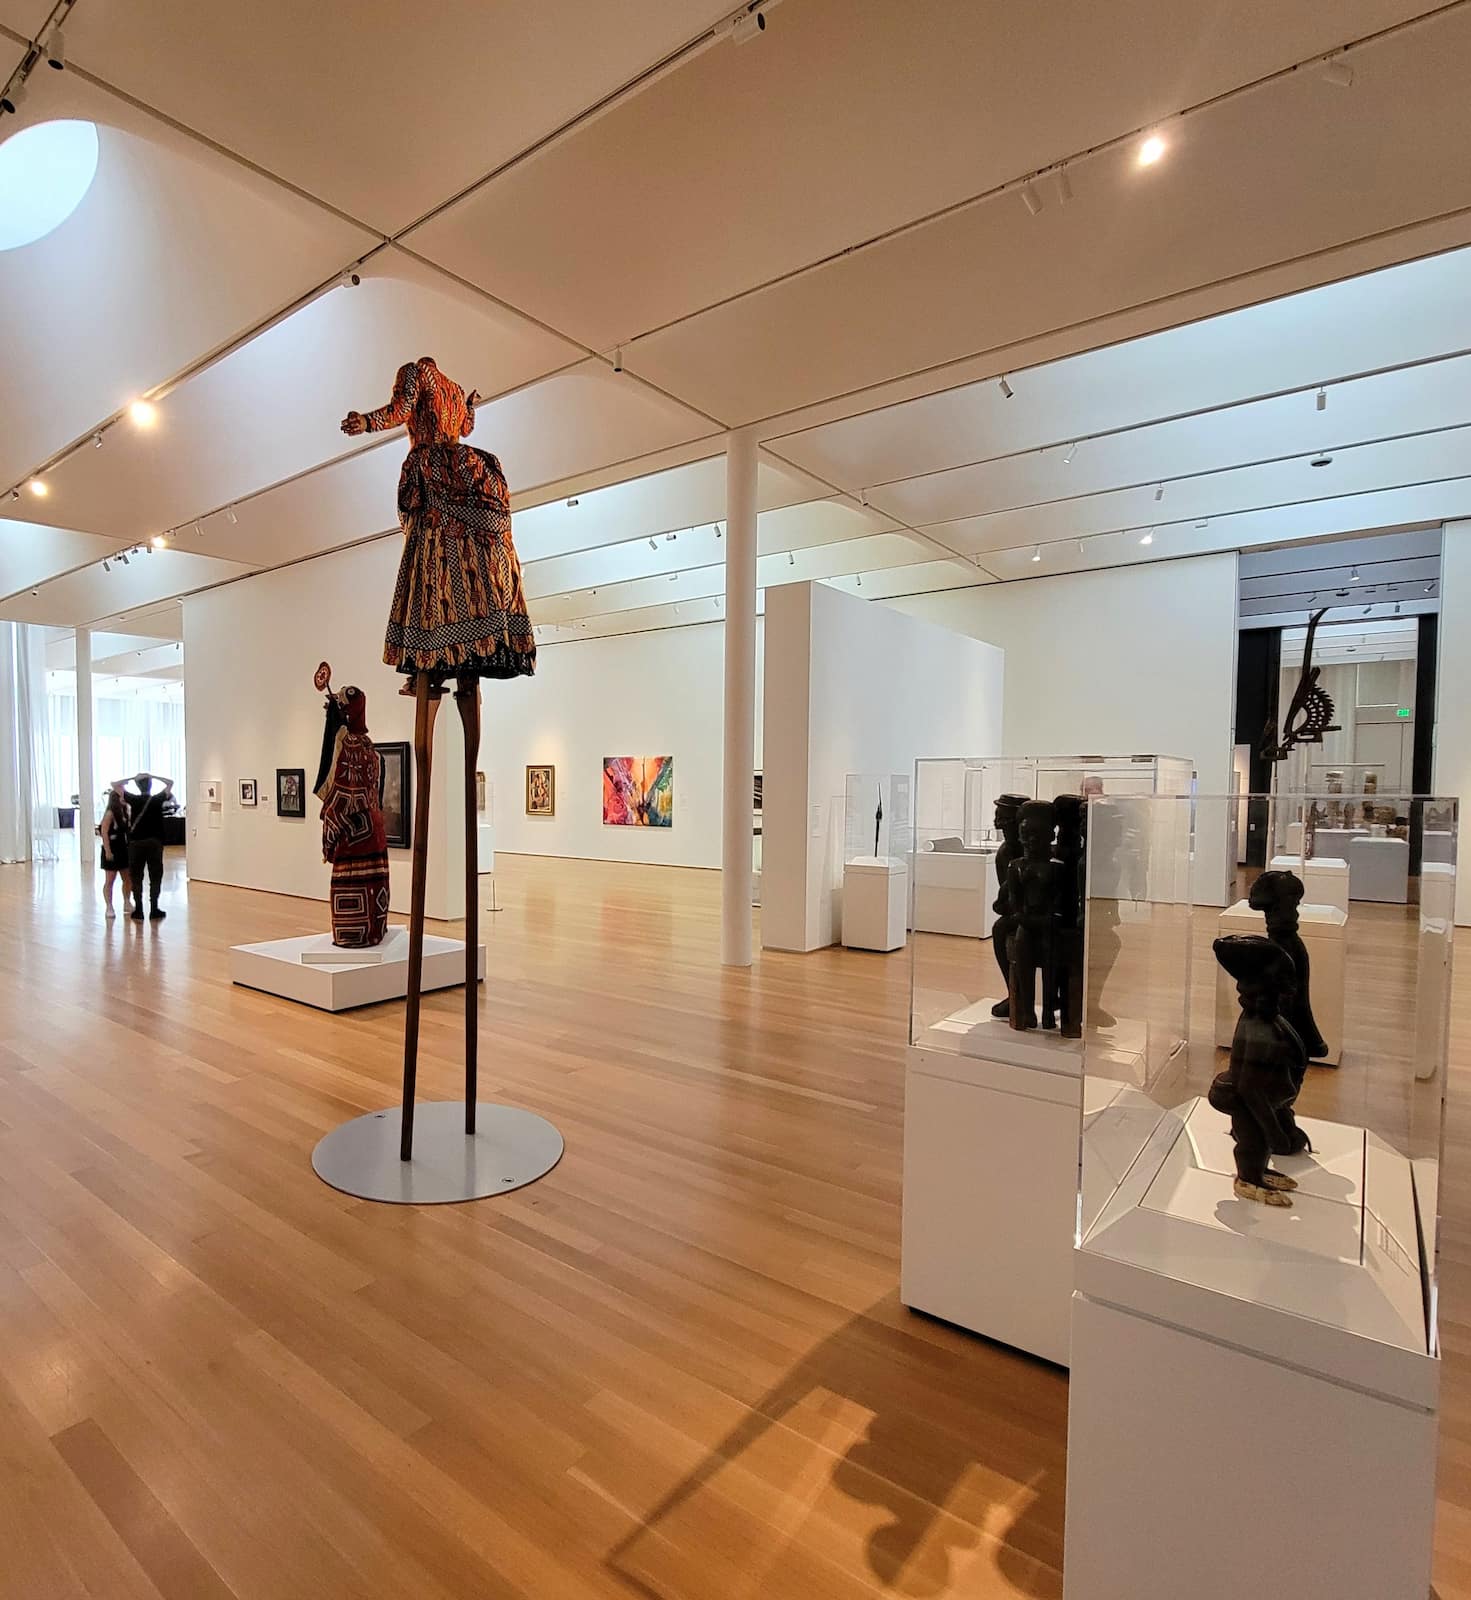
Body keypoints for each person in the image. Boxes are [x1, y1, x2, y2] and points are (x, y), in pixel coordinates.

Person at [115, 770, 173, 921]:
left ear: (137, 786)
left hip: (136, 843)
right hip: (154, 842)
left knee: (136, 877)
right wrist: (153, 776)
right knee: (155, 876)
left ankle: (139, 909)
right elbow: (170, 783)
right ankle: (154, 908)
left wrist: (134, 778)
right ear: (150, 785)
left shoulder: (133, 799)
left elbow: (115, 785)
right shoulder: (157, 799)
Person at [98, 783, 131, 917]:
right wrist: (108, 851)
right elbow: (104, 832)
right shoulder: (110, 813)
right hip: (112, 848)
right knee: (110, 880)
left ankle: (127, 902)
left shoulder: (125, 812)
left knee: (127, 878)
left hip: (123, 848)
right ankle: (109, 906)